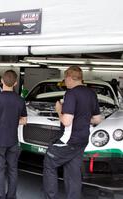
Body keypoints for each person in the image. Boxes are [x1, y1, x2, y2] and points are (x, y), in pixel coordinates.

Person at [43, 66, 102, 199]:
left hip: (69, 141)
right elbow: (98, 119)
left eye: (65, 79)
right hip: (82, 140)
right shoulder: (91, 93)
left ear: (69, 78)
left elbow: (66, 121)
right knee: (73, 171)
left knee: (49, 162)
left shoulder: (71, 93)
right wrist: (83, 118)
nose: (65, 82)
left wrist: (59, 109)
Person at [0, 70, 27, 199]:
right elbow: (24, 121)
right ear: (15, 83)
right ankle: (12, 196)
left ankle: (0, 197)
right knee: (13, 170)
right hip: (14, 142)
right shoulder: (20, 100)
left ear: (2, 81)